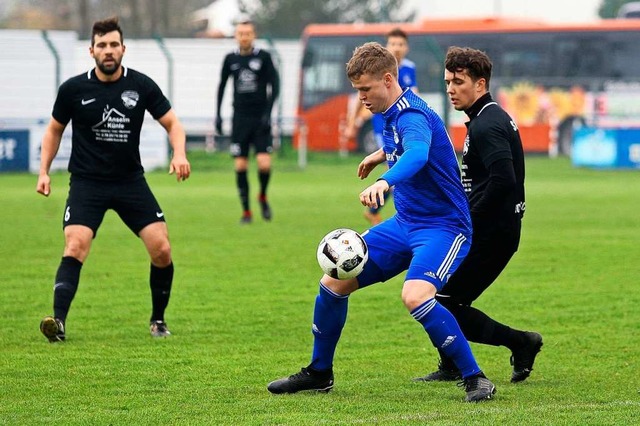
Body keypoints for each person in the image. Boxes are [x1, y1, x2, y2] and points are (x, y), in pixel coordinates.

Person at [267, 42, 496, 402]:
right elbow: (407, 146)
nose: (361, 98)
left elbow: (419, 152)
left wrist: (385, 180)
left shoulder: (411, 116)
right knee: (333, 283)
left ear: (387, 79)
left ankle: (475, 377)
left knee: (415, 295)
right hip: (405, 223)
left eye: (365, 90)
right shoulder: (393, 113)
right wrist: (379, 155)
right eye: (357, 90)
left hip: (443, 228)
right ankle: (319, 372)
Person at [36, 17, 191, 342]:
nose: (108, 51)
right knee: (75, 245)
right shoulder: (74, 89)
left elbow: (173, 124)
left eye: (114, 45)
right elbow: (54, 130)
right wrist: (44, 171)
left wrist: (179, 153)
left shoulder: (141, 85)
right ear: (92, 50)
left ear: (123, 49)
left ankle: (158, 321)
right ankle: (58, 323)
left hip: (129, 182)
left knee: (162, 250)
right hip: (87, 183)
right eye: (102, 45)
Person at [414, 46, 542, 383]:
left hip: (494, 233)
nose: (450, 89)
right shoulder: (486, 118)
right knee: (438, 295)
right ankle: (452, 363)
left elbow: (503, 180)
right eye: (447, 82)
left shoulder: (488, 125)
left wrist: (469, 220)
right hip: (490, 228)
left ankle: (522, 342)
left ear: (480, 84)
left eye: (458, 82)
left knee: (442, 300)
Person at [344, 28, 418, 225]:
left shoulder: (409, 69)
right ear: (387, 46)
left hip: (402, 125)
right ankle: (380, 210)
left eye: (401, 44)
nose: (397, 48)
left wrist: (419, 115)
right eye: (393, 44)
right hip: (383, 127)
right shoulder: (375, 71)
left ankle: (380, 209)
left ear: (407, 47)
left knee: (401, 171)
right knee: (398, 169)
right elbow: (361, 97)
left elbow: (414, 93)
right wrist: (352, 123)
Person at [215, 19, 280, 224]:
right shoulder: (230, 59)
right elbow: (222, 86)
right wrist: (217, 114)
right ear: (236, 36)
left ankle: (262, 195)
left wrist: (268, 113)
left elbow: (275, 85)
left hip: (260, 119)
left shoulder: (264, 57)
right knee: (241, 166)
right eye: (241, 33)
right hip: (240, 120)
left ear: (254, 35)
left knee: (264, 164)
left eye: (248, 33)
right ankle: (246, 212)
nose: (244, 37)